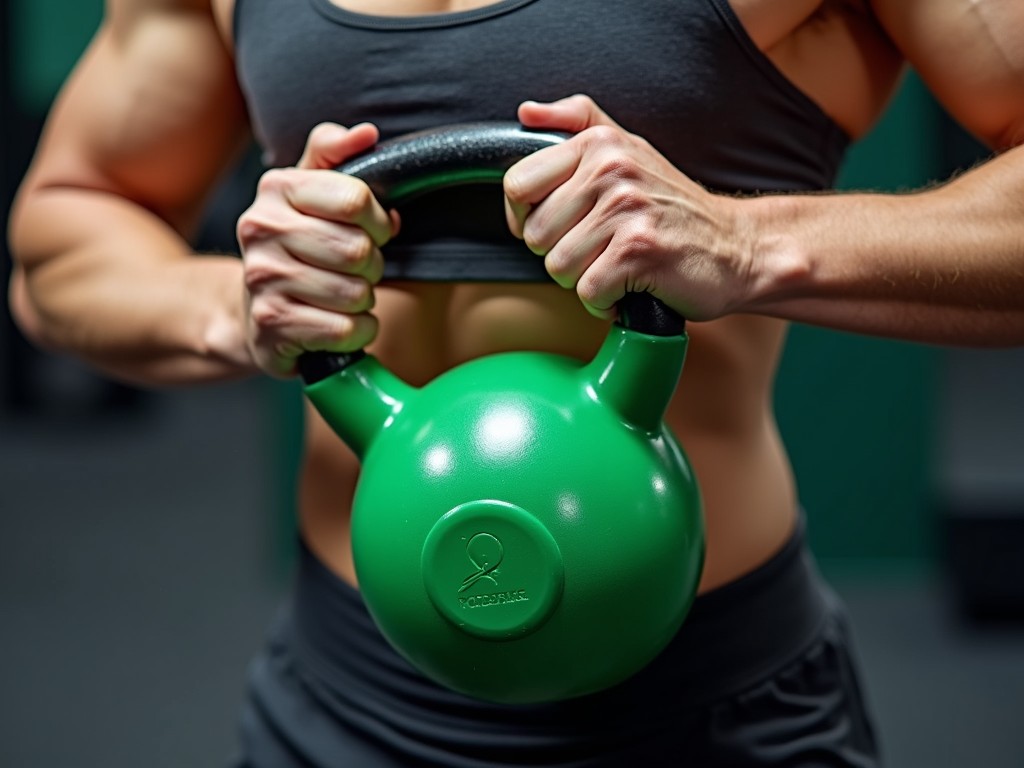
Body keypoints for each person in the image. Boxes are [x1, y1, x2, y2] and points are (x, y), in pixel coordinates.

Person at [6, 0, 1023, 765]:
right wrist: (234, 309)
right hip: (341, 697)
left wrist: (747, 242)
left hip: (703, 707)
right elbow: (62, 240)